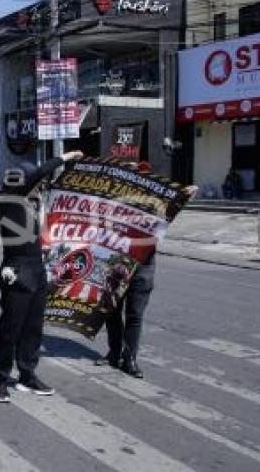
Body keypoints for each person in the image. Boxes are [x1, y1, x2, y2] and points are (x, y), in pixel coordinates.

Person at [0, 150, 84, 403]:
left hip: (36, 267)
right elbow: (41, 173)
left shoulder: (33, 201)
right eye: (34, 180)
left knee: (33, 326)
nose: (39, 183)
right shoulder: (10, 198)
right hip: (16, 269)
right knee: (11, 328)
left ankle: (27, 374)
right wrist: (64, 158)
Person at [96, 162, 198, 379]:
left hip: (143, 266)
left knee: (135, 315)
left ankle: (129, 358)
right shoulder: (112, 202)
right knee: (112, 312)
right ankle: (114, 353)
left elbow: (172, 208)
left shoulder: (154, 204)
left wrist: (185, 195)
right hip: (117, 263)